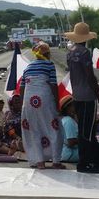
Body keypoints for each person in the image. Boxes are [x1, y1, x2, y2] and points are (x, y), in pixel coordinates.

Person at [64, 22, 99, 173]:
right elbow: (89, 76)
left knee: (83, 129)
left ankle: (88, 160)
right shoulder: (85, 52)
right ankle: (84, 163)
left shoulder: (70, 52)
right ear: (86, 38)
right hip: (87, 96)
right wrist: (98, 91)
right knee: (88, 130)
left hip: (77, 95)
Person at [20, 41, 64, 169]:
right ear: (48, 54)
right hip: (44, 99)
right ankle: (56, 161)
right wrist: (57, 104)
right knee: (54, 128)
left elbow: (22, 88)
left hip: (29, 102)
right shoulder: (49, 65)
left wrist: (24, 105)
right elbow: (53, 85)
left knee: (34, 130)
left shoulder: (28, 67)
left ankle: (40, 162)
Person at [59, 95, 79, 163]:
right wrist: (84, 139)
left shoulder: (66, 119)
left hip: (65, 153)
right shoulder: (68, 121)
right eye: (74, 105)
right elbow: (71, 142)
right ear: (68, 107)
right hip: (70, 154)